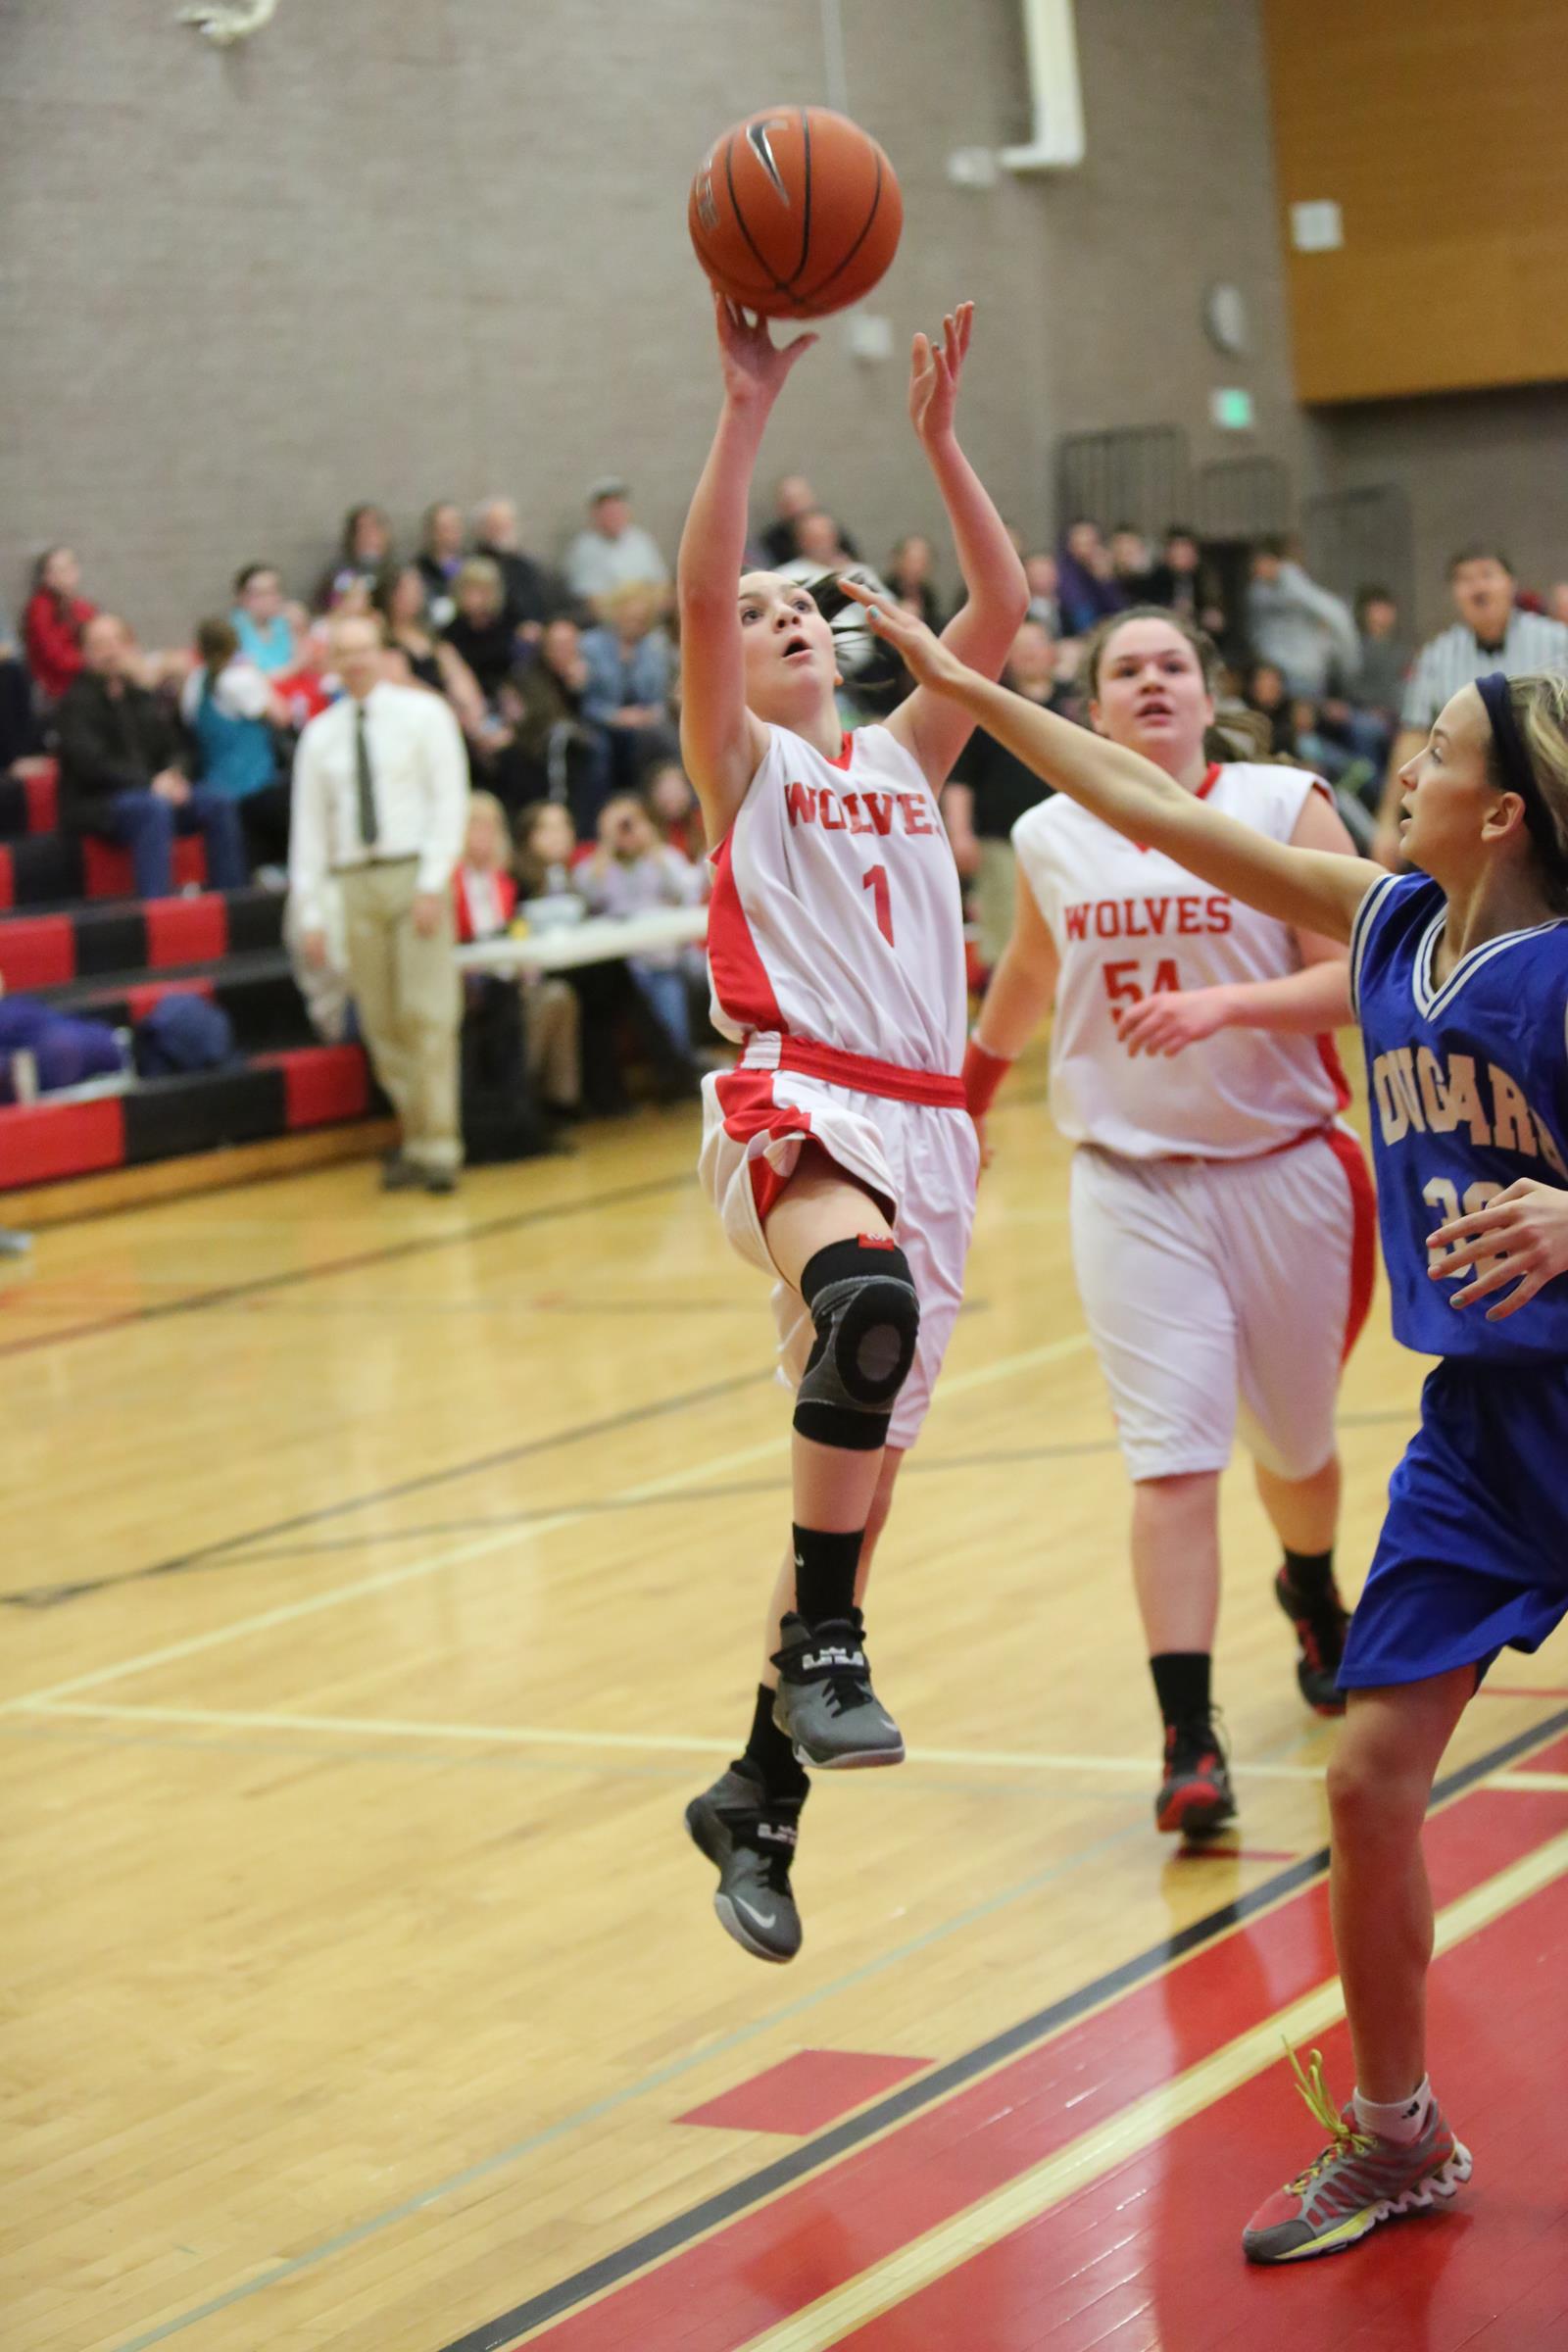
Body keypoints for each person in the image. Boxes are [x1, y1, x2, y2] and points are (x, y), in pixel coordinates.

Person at [844, 577, 1568, 2264]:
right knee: (1369, 1785)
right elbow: (1145, 805)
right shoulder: (1386, 922)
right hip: (1482, 1434)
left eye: (1439, 752)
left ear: (1504, 813)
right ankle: (1397, 2135)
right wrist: (969, 685)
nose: (1406, 767)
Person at [677, 295, 1026, 1964]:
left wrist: (941, 445)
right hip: (796, 1090)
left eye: (805, 604)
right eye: (762, 613)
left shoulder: (900, 754)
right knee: (861, 1307)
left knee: (856, 1500)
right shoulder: (740, 763)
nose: (788, 618)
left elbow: (1002, 609)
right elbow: (700, 593)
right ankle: (824, 1658)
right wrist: (746, 409)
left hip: (928, 1124)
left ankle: (756, 1797)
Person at [945, 601, 1374, 1833]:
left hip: (1282, 1167)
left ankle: (1310, 1586)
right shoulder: (1048, 832)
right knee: (1172, 1456)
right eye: (1123, 668)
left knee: (1294, 1448)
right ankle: (1188, 1738)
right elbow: (1031, 971)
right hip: (1127, 1181)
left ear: (1206, 692)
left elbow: (1359, 974)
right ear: (1089, 708)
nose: (1148, 682)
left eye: (1170, 665)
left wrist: (1227, 1007)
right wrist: (965, 1101)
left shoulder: (1281, 804)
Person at [289, 612, 468, 1193]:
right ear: (331, 662)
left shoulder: (425, 715)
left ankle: (440, 1146)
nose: (355, 661)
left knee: (427, 1014)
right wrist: (312, 912)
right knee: (382, 1020)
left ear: (383, 652)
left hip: (413, 871)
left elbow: (449, 801)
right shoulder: (320, 735)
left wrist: (433, 880)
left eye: (364, 648)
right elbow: (309, 831)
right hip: (352, 881)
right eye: (343, 652)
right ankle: (414, 1140)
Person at [1372, 547, 1568, 867]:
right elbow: (1413, 736)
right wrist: (1386, 821)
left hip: (1550, 794)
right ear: (1454, 594)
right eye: (1465, 580)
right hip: (1470, 805)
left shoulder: (1558, 641)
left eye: (1487, 575)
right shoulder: (1436, 656)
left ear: (1511, 584)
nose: (1478, 588)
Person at [56, 614, 247, 898]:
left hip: (153, 792)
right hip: (99, 803)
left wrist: (174, 775)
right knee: (152, 808)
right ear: (85, 653)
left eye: (117, 642)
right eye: (100, 645)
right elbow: (93, 765)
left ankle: (232, 901)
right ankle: (156, 909)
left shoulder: (141, 696)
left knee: (218, 802)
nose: (110, 652)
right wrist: (151, 783)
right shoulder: (74, 703)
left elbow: (177, 746)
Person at [941, 616, 1072, 970]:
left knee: (1066, 931)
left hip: (1067, 841)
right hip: (1001, 842)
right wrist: (960, 833)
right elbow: (961, 777)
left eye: (1036, 645)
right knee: (1005, 939)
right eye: (1021, 647)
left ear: (1052, 652)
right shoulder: (989, 704)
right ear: (1008, 655)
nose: (1029, 654)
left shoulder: (1073, 705)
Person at [452, 791, 580, 1117]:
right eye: (475, 826)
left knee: (559, 997)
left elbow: (516, 936)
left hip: (510, 983)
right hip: (470, 990)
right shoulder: (449, 884)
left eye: (491, 827)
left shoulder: (504, 883)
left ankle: (556, 1103)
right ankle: (511, 1104)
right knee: (508, 1010)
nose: (484, 835)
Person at [180, 617, 292, 874]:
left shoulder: (195, 683)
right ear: (235, 643)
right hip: (256, 788)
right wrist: (259, 676)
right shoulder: (240, 678)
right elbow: (282, 716)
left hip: (216, 788)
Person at [579, 582, 678, 790]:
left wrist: (650, 714)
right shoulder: (590, 645)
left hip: (642, 723)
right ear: (615, 614)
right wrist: (614, 716)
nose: (634, 624)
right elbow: (585, 699)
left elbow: (660, 697)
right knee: (598, 746)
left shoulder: (654, 647)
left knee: (661, 736)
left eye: (640, 619)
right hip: (601, 721)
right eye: (629, 617)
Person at [371, 564, 488, 739]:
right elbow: (402, 683)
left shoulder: (435, 641)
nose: (415, 595)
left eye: (417, 589)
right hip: (411, 721)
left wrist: (472, 711)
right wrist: (447, 709)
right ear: (390, 595)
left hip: (450, 718)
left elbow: (460, 679)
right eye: (407, 590)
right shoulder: (384, 641)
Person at [1247, 538, 1361, 702]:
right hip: (1272, 672)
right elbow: (1257, 629)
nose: (1256, 567)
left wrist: (1349, 665)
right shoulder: (1258, 592)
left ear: (1274, 561)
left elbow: (1339, 618)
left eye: (1261, 561)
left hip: (1302, 673)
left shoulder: (1297, 586)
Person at [562, 478, 669, 614]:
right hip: (604, 623)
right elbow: (588, 600)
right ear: (595, 514)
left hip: (647, 617)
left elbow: (661, 584)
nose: (613, 514)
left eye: (617, 508)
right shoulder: (583, 549)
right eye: (607, 510)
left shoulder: (641, 540)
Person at [440, 558, 521, 706]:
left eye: (483, 590)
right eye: (470, 589)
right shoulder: (451, 632)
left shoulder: (509, 620)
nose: (476, 597)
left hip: (510, 693)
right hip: (472, 698)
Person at [471, 497, 554, 639]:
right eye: (495, 525)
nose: (502, 530)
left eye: (506, 524)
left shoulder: (526, 566)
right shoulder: (476, 566)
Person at [23, 548, 97, 704]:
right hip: (58, 687)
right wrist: (92, 660)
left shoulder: (81, 606)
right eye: (58, 570)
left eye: (70, 567)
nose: (65, 574)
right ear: (46, 577)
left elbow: (98, 636)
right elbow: (56, 657)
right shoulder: (40, 608)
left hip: (85, 678)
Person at [315, 504, 392, 613]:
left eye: (374, 529)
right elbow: (326, 606)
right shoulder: (337, 573)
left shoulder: (395, 572)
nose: (369, 536)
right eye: (362, 530)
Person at [229, 564, 297, 677]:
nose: (272, 599)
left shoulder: (284, 622)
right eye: (262, 594)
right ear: (242, 598)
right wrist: (295, 666)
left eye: (275, 591)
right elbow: (254, 677)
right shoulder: (234, 631)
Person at [416, 502, 467, 628]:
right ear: (431, 532)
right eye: (444, 528)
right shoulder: (417, 570)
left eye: (455, 526)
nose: (451, 533)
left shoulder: (472, 567)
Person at [885, 534, 945, 630]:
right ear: (897, 561)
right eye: (911, 561)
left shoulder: (930, 598)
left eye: (922, 562)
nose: (916, 568)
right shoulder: (883, 593)